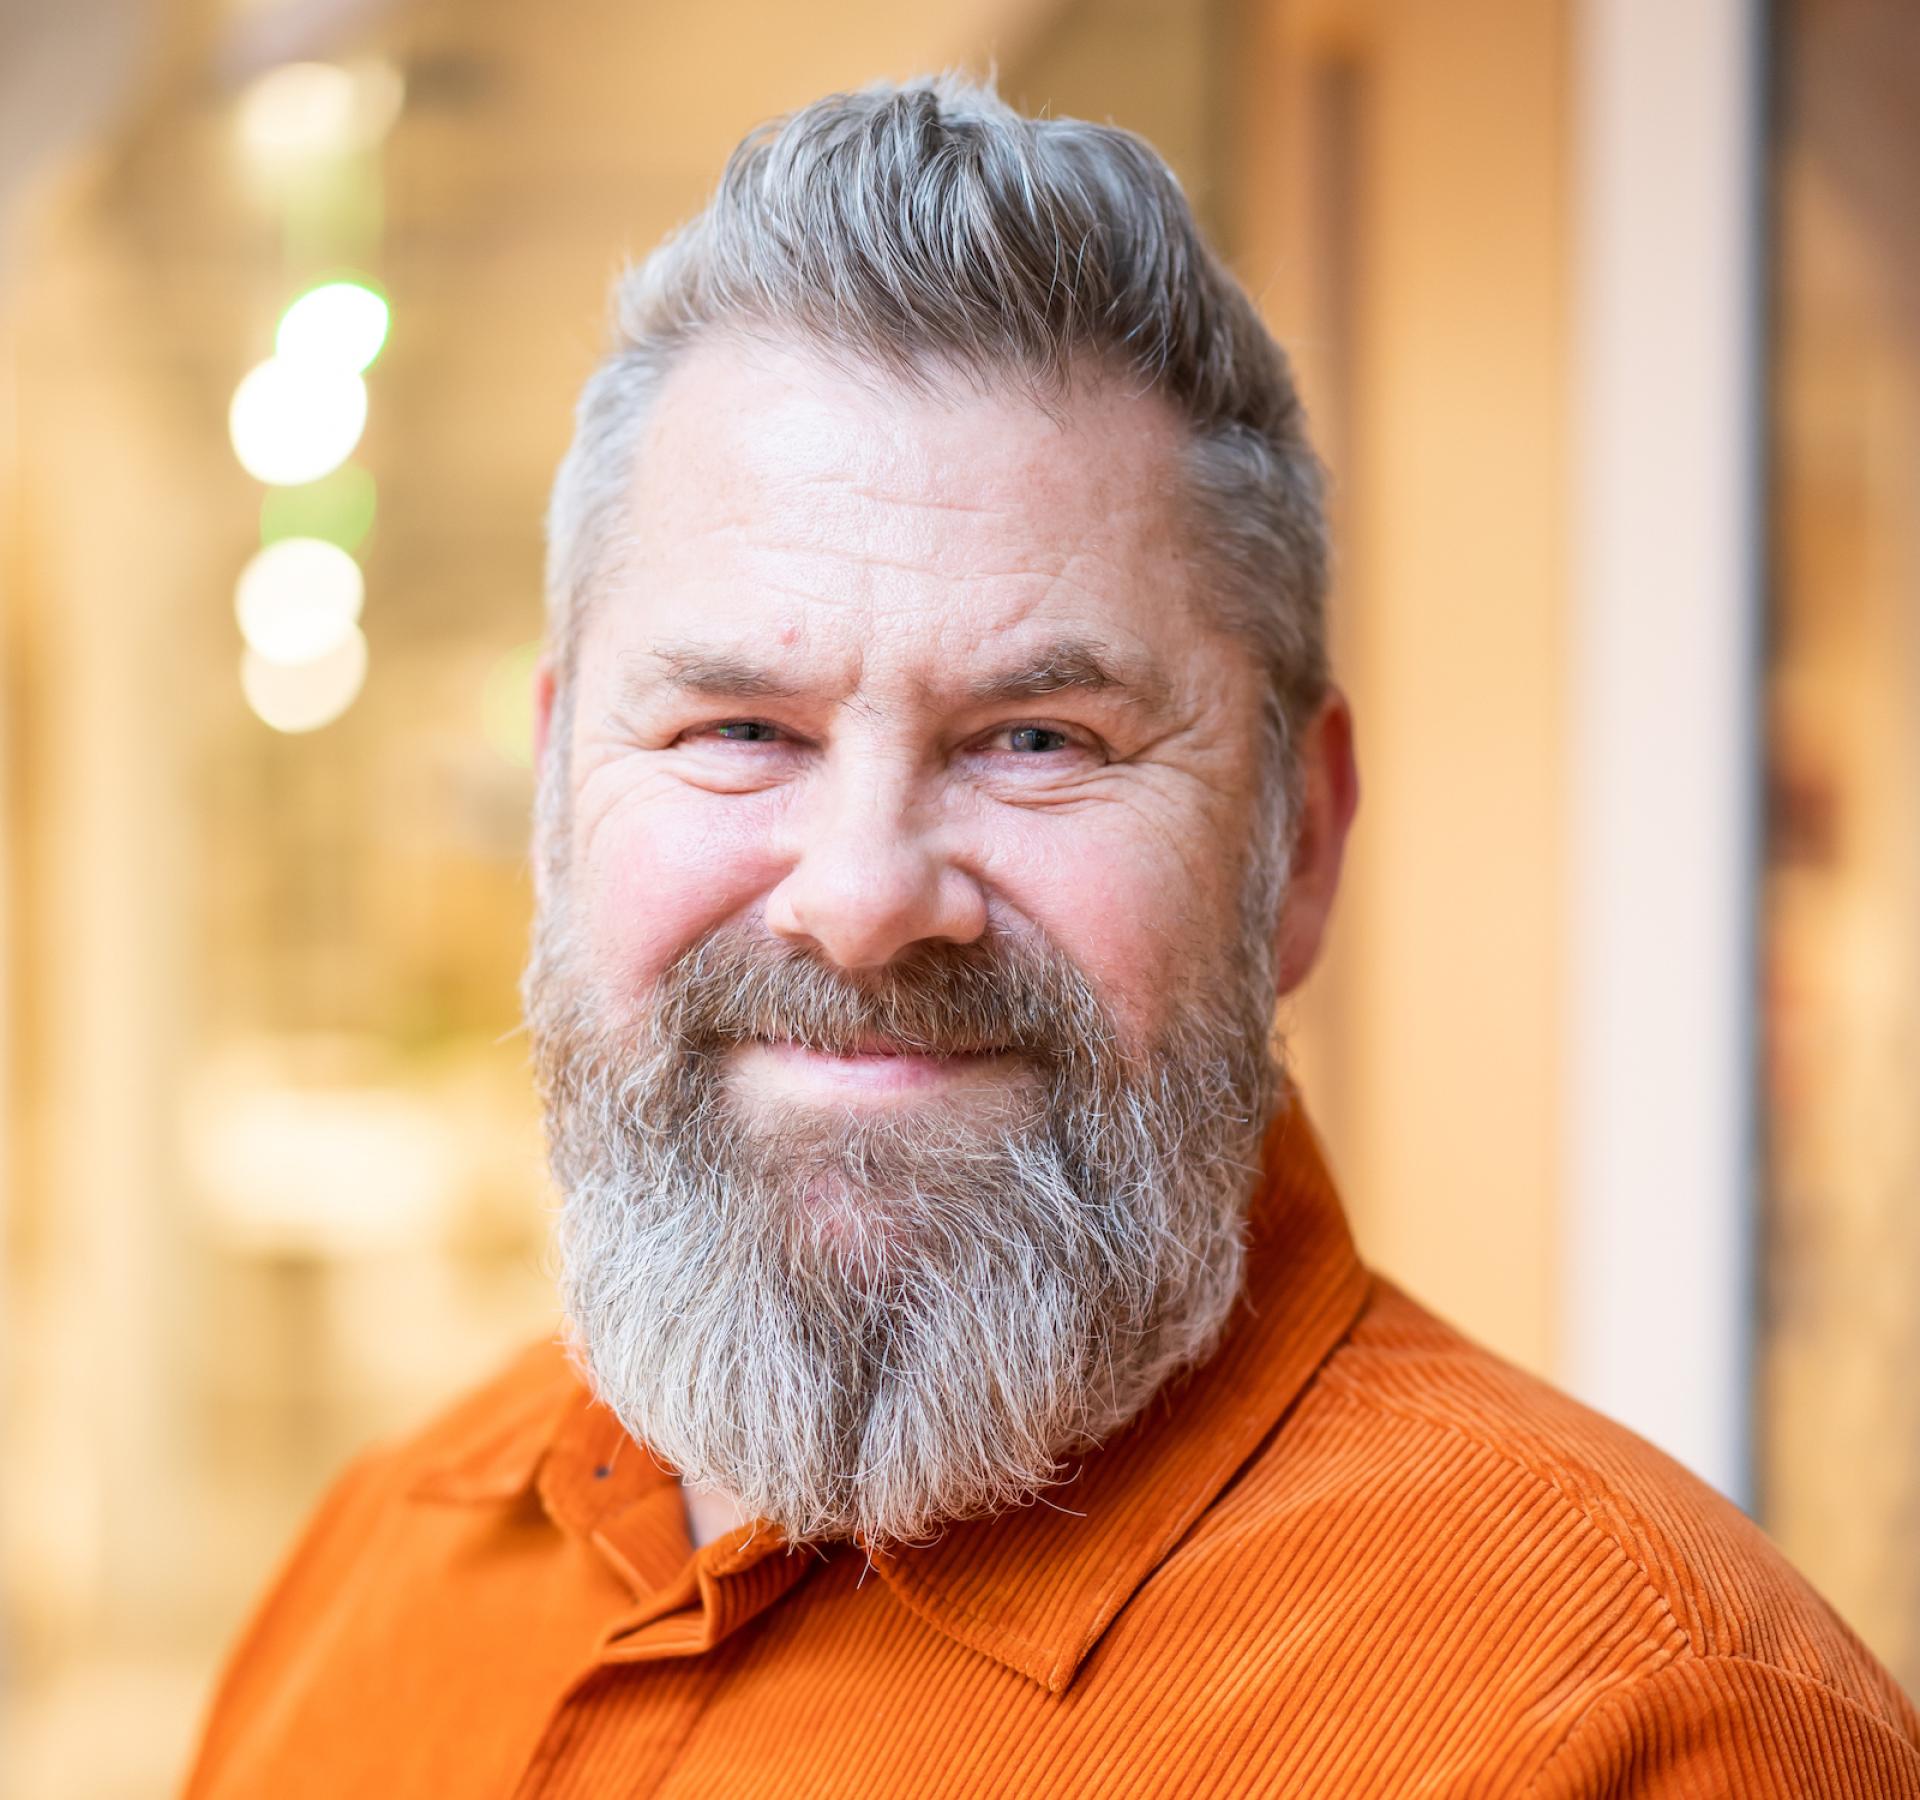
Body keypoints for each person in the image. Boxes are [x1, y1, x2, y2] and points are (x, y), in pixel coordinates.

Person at [181, 74, 1920, 1798]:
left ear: (1298, 845)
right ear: (562, 795)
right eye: (740, 730)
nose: (863, 899)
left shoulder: (1642, 1726)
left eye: (1038, 739)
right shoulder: (382, 1571)